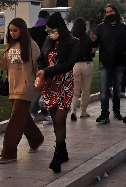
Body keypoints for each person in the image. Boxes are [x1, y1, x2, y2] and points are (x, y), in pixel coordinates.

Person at [0, 18, 44, 163]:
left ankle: (9, 152)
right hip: (13, 86)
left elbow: (38, 67)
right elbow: (7, 66)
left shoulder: (32, 46)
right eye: (10, 30)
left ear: (22, 30)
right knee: (22, 116)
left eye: (15, 30)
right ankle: (36, 139)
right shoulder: (11, 45)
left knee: (15, 120)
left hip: (26, 87)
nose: (12, 33)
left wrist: (41, 85)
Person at [37, 12, 80, 172]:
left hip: (65, 84)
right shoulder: (48, 40)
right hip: (50, 85)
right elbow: (41, 58)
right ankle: (63, 150)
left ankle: (57, 155)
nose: (49, 33)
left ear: (59, 28)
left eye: (51, 30)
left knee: (61, 118)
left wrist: (48, 71)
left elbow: (69, 63)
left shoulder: (72, 42)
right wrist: (42, 70)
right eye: (48, 31)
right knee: (55, 119)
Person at [90, 4, 126, 123]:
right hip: (104, 63)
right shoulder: (101, 28)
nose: (108, 14)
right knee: (104, 89)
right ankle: (104, 113)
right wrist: (93, 42)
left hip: (118, 63)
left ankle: (116, 111)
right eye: (106, 12)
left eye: (110, 11)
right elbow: (95, 45)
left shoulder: (123, 29)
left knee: (117, 89)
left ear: (115, 12)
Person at [70, 17, 95, 121]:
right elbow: (92, 53)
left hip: (75, 65)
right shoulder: (87, 38)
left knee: (75, 92)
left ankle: (72, 111)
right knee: (86, 90)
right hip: (87, 64)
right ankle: (83, 111)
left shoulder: (71, 39)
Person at [28, 10, 51, 123]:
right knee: (42, 89)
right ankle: (32, 113)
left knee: (42, 89)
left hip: (31, 63)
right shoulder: (47, 33)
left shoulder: (31, 31)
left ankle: (45, 114)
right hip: (44, 64)